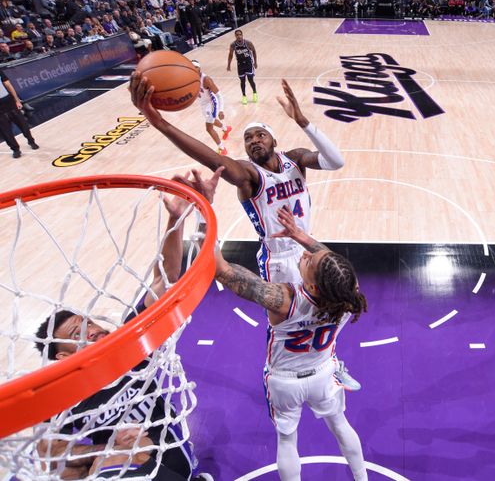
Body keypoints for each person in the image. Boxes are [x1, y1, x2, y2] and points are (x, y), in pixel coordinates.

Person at [128, 72, 361, 390]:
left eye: (259, 136)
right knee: (286, 321)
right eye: (248, 138)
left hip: (306, 249)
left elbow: (336, 161)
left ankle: (331, 362)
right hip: (277, 259)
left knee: (334, 307)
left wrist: (303, 120)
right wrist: (160, 123)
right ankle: (278, 370)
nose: (253, 141)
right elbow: (212, 158)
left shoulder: (295, 160)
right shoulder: (248, 175)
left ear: (273, 141)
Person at [33, 169, 223, 480]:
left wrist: (176, 220)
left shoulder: (129, 345)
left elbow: (165, 278)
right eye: (77, 333)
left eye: (90, 322)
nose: (92, 329)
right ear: (63, 358)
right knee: (68, 471)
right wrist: (103, 450)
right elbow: (47, 451)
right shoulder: (62, 393)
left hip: (166, 449)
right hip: (117, 460)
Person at [213, 202, 369, 481]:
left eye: (310, 259)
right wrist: (301, 236)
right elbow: (335, 266)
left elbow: (222, 270)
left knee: (287, 441)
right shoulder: (348, 295)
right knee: (340, 424)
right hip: (323, 373)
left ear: (312, 286)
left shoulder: (284, 299)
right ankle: (361, 478)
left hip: (285, 382)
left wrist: (208, 216)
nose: (307, 255)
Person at [191, 60, 232, 155]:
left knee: (208, 128)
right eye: (191, 67)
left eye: (195, 67)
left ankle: (222, 148)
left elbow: (219, 95)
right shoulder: (189, 78)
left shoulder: (206, 79)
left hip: (211, 103)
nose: (193, 69)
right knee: (212, 121)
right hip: (203, 104)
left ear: (199, 68)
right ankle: (225, 128)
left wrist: (221, 110)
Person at [0, 69, 38, 158]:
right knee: (5, 130)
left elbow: (8, 85)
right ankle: (15, 149)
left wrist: (17, 100)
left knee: (22, 123)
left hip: (8, 101)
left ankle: (31, 141)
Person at [227, 29, 258, 105]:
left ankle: (254, 92)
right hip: (240, 65)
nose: (239, 36)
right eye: (237, 35)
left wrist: (255, 62)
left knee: (251, 80)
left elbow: (254, 51)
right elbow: (230, 55)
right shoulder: (233, 45)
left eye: (240, 34)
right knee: (242, 81)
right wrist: (228, 65)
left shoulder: (248, 43)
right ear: (235, 36)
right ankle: (244, 96)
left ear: (242, 35)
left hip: (249, 64)